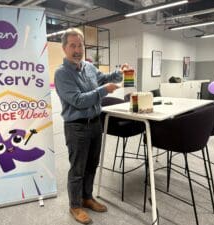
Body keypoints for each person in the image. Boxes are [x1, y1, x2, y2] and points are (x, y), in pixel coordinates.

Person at [54, 28, 130, 224]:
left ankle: (87, 198)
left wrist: (119, 73)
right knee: (77, 169)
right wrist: (104, 91)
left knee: (91, 166)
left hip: (96, 124)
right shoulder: (62, 74)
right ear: (64, 48)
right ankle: (75, 206)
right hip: (76, 127)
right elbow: (79, 101)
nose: (77, 49)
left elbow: (104, 78)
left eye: (80, 45)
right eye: (73, 45)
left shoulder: (88, 67)